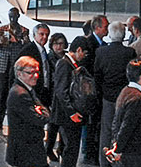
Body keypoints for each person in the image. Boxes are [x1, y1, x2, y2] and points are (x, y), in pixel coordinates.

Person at [94, 21, 136, 167]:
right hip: (125, 97)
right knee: (123, 129)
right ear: (124, 35)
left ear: (110, 34)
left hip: (108, 97)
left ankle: (104, 161)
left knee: (106, 131)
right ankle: (119, 160)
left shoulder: (100, 52)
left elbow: (97, 75)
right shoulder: (129, 52)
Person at [106, 59, 141, 167]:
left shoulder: (126, 91)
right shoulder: (137, 98)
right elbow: (127, 126)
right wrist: (117, 149)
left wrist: (116, 145)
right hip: (134, 153)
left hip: (128, 151)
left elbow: (117, 122)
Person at [0, 7, 30, 131]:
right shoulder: (2, 29)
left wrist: (18, 40)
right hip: (3, 65)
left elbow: (27, 44)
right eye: (10, 16)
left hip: (15, 65)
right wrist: (1, 43)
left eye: (14, 16)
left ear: (18, 17)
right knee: (2, 92)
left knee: (15, 92)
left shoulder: (23, 30)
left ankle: (16, 119)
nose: (12, 19)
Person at [6, 56, 50, 167]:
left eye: (37, 72)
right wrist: (45, 114)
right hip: (26, 151)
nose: (35, 76)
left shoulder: (26, 89)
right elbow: (39, 119)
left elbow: (42, 109)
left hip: (29, 149)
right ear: (19, 73)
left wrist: (41, 111)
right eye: (30, 72)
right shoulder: (21, 94)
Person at [52, 36, 89, 167]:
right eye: (84, 53)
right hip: (67, 115)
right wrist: (71, 112)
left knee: (69, 146)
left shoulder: (72, 63)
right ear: (78, 50)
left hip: (70, 114)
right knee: (71, 148)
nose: (84, 56)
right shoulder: (64, 63)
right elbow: (61, 91)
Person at [83, 15, 109, 165]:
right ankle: (89, 153)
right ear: (97, 28)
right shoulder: (88, 43)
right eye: (105, 26)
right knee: (91, 124)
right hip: (92, 92)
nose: (106, 29)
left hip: (99, 91)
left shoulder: (103, 45)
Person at [45, 33, 68, 162]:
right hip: (53, 95)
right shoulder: (49, 58)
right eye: (56, 44)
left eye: (61, 43)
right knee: (53, 125)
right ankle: (48, 149)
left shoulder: (67, 57)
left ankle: (61, 148)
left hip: (63, 94)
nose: (59, 47)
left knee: (63, 126)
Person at [17, 23, 51, 107]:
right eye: (41, 34)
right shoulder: (28, 50)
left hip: (43, 90)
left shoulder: (43, 50)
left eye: (47, 35)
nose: (44, 37)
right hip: (33, 91)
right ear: (34, 35)